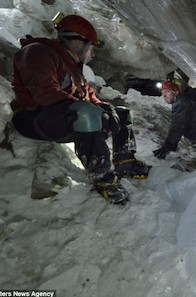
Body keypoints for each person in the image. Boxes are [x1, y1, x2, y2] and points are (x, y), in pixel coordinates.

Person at [10, 12, 150, 205]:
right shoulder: (37, 51)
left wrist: (104, 108)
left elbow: (89, 97)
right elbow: (44, 93)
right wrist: (93, 110)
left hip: (59, 115)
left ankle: (125, 161)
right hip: (32, 117)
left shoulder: (73, 68)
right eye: (90, 47)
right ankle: (103, 177)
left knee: (122, 112)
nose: (91, 53)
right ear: (77, 43)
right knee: (85, 111)